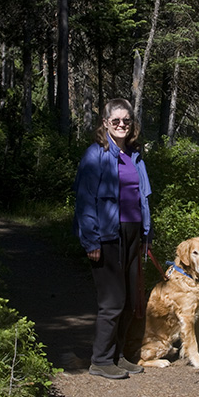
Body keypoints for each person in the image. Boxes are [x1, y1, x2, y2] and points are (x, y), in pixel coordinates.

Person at [73, 98, 152, 379]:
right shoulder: (95, 155)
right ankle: (101, 360)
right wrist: (91, 240)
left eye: (126, 120)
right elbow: (85, 201)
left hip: (133, 233)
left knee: (130, 299)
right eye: (115, 120)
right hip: (107, 235)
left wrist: (146, 235)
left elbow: (142, 198)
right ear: (105, 123)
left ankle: (119, 356)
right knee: (113, 300)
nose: (121, 125)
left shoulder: (134, 155)